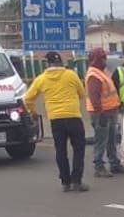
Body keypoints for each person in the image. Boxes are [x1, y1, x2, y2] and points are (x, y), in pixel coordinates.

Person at [22, 51, 88, 192]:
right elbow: (82, 93)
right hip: (73, 116)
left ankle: (65, 182)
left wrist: (33, 112)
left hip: (56, 119)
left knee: (60, 150)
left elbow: (27, 99)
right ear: (60, 62)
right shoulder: (71, 75)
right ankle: (76, 181)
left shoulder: (41, 79)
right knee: (78, 149)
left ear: (47, 63)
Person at [84, 46, 124, 177]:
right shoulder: (94, 75)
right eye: (102, 57)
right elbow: (94, 97)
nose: (104, 60)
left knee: (111, 140)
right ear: (95, 59)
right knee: (101, 141)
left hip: (110, 112)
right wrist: (100, 113)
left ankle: (114, 163)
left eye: (105, 57)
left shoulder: (101, 72)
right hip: (101, 113)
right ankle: (99, 166)